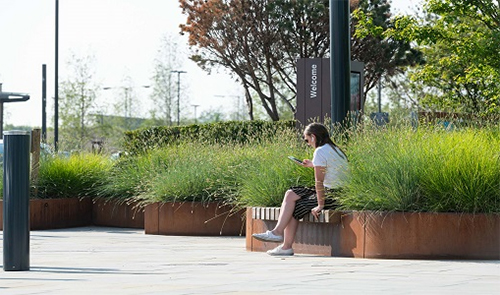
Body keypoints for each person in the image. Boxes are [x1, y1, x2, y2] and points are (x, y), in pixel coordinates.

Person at [252, 122, 349, 256]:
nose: (308, 143)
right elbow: (332, 170)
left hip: (333, 195)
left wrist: (320, 205)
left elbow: (319, 181)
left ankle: (285, 246)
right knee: (291, 193)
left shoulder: (320, 151)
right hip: (340, 191)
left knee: (295, 207)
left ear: (313, 137)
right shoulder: (336, 149)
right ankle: (277, 233)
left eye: (307, 140)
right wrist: (313, 164)